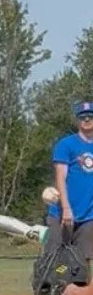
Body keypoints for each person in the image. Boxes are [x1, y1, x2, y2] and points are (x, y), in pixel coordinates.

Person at [52, 101, 93, 259]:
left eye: (90, 116)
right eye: (83, 117)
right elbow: (60, 177)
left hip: (89, 215)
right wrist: (66, 208)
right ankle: (55, 284)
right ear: (77, 120)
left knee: (83, 261)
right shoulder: (66, 144)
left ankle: (80, 284)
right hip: (63, 213)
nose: (87, 120)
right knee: (57, 259)